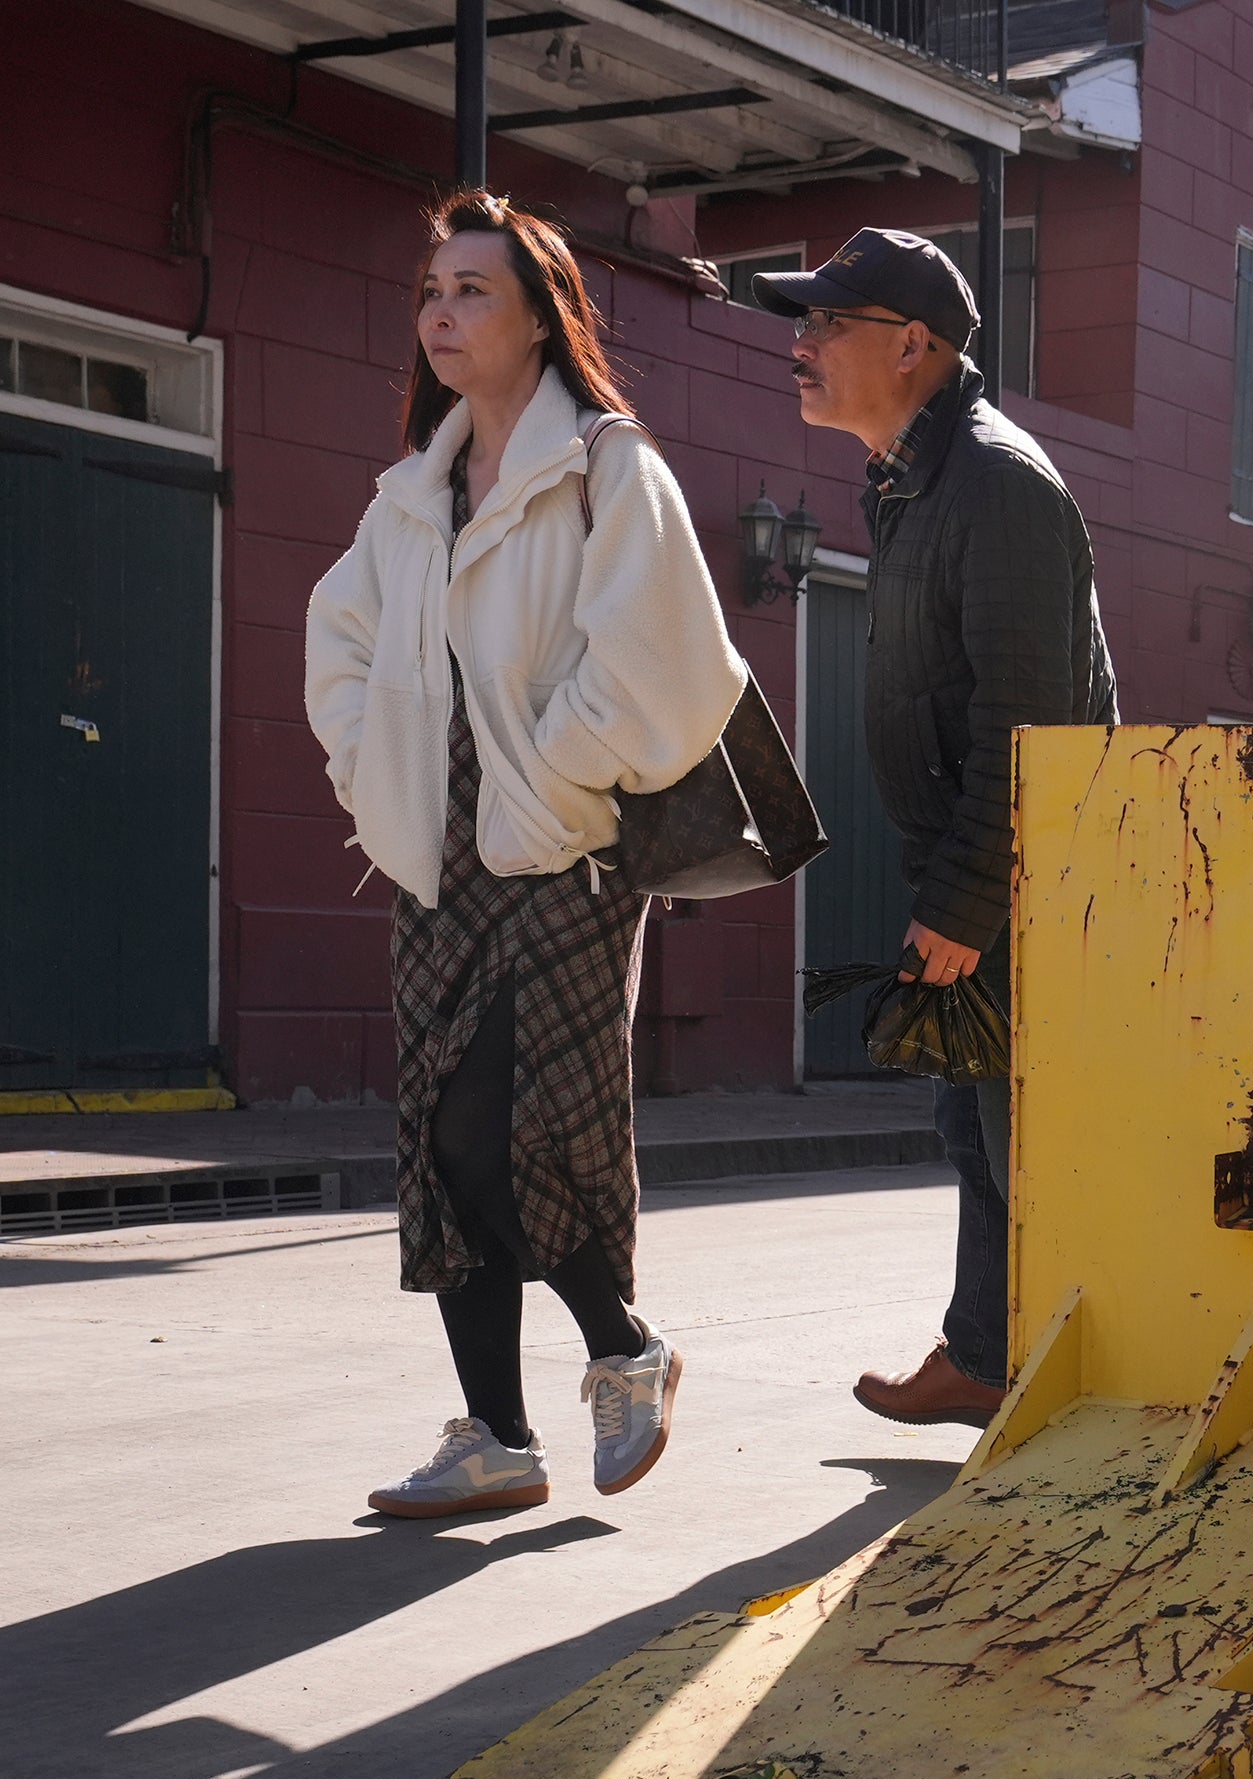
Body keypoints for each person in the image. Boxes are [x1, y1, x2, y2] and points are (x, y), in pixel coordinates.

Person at [308, 192, 744, 1516]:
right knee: (440, 1137)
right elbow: (340, 645)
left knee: (515, 1124)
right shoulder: (414, 497)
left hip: (566, 844)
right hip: (438, 852)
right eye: (432, 292)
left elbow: (670, 660)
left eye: (474, 290)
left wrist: (555, 769)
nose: (443, 313)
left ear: (543, 316)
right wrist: (368, 771)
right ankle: (493, 1434)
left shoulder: (610, 467)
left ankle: (624, 1347)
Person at [756, 229, 1121, 1424]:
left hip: (1033, 888)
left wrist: (967, 901)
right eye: (801, 323)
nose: (799, 344)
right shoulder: (915, 475)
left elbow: (1036, 724)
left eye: (826, 324)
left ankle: (1082, 1396)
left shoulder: (997, 482)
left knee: (1039, 1152)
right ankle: (983, 1354)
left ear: (913, 345)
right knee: (975, 1128)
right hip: (984, 878)